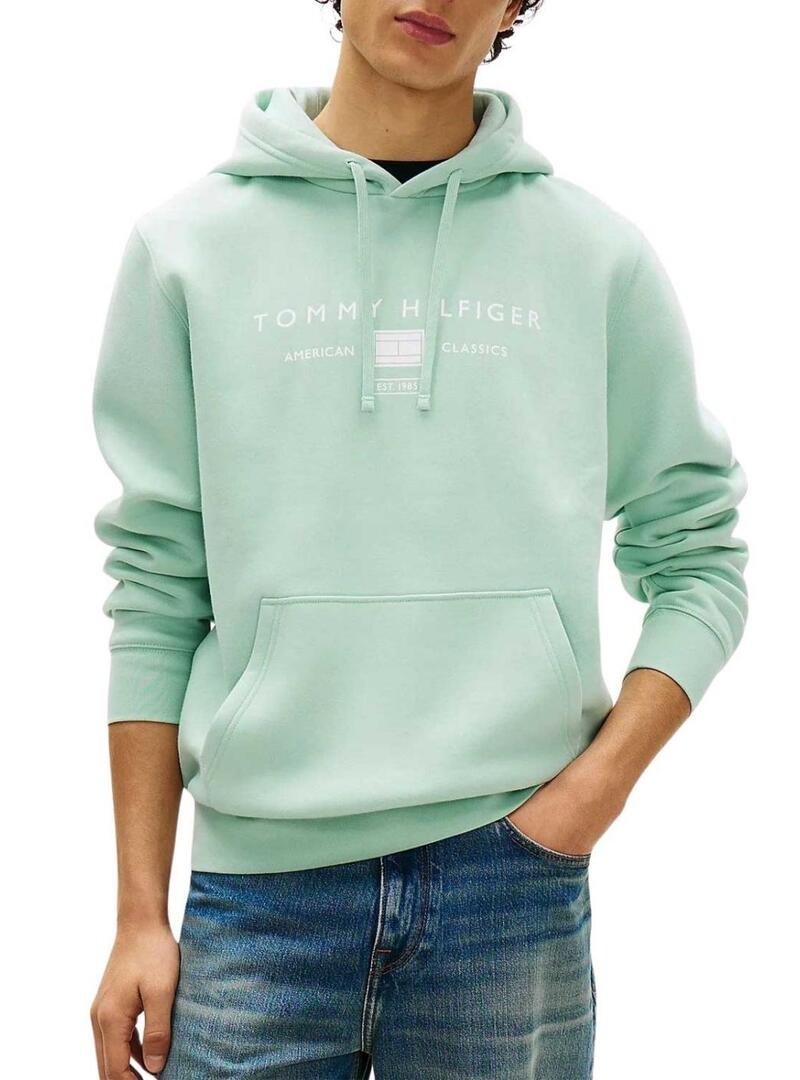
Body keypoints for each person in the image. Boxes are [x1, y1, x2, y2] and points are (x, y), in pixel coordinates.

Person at [89, 1, 749, 1077]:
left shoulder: (595, 256)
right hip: (257, 896)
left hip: (510, 885)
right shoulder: (186, 249)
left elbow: (698, 556)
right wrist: (136, 915)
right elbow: (157, 586)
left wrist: (590, 796)